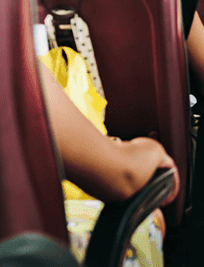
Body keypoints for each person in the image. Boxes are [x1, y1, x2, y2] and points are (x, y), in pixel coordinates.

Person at [42, 63, 180, 267]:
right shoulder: (9, 59)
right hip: (33, 252)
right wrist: (154, 151)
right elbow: (125, 177)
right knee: (148, 217)